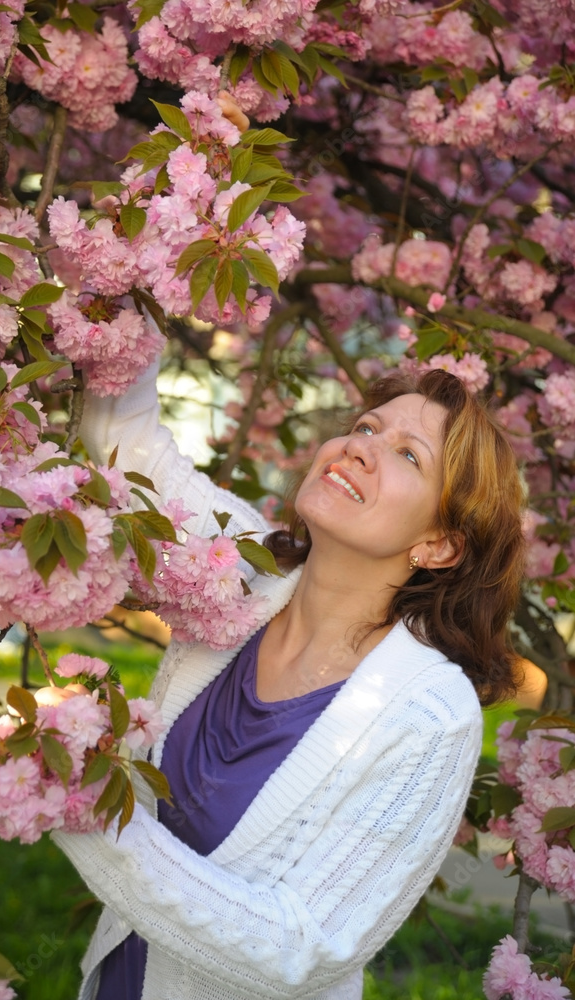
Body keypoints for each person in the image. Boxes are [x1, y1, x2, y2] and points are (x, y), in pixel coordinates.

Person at [54, 356, 525, 1000]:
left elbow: (302, 951)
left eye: (408, 455)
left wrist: (84, 810)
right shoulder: (241, 570)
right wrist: (128, 273)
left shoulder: (429, 714)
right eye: (365, 425)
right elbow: (127, 449)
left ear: (439, 543)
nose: (361, 447)